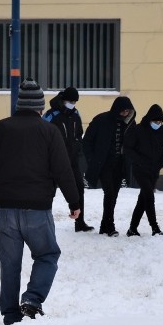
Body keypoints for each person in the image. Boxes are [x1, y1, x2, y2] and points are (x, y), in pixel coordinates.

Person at [0, 78, 81, 325]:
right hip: (38, 211)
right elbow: (63, 170)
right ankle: (32, 299)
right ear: (40, 107)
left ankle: (10, 315)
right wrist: (74, 202)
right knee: (48, 254)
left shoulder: (1, 129)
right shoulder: (49, 132)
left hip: (5, 210)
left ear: (19, 104)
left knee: (10, 265)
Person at [82, 95, 135, 237]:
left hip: (120, 164)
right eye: (123, 111)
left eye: (128, 112)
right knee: (110, 193)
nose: (125, 114)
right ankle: (109, 226)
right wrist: (92, 160)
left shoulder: (129, 124)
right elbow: (87, 141)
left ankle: (105, 226)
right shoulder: (101, 120)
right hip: (103, 164)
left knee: (113, 195)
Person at [43, 86, 93, 232]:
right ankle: (45, 223)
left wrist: (78, 146)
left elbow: (79, 133)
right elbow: (42, 135)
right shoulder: (51, 115)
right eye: (70, 101)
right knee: (48, 192)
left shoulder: (76, 113)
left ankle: (79, 222)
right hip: (53, 162)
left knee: (78, 189)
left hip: (72, 160)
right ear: (63, 100)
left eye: (75, 101)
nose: (73, 103)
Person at [123, 104, 163, 236]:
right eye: (155, 121)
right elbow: (128, 149)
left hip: (154, 170)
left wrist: (162, 163)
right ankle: (155, 227)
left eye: (160, 122)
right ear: (149, 119)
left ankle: (132, 228)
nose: (158, 124)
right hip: (140, 169)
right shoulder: (138, 130)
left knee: (143, 199)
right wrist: (139, 160)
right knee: (149, 195)